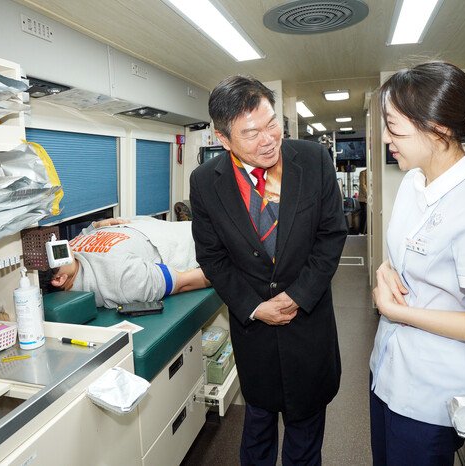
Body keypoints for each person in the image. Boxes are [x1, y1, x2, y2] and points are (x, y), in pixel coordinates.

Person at [369, 62, 465, 465]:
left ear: (436, 130)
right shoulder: (413, 181)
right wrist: (385, 269)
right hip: (386, 370)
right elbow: (407, 252)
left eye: (393, 127)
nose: (385, 138)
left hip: (430, 395)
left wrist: (397, 311)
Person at [190, 75, 347, 465]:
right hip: (254, 332)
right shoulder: (205, 182)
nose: (268, 139)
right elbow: (212, 258)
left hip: (308, 324)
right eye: (251, 132)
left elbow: (331, 235)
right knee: (257, 427)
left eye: (272, 123)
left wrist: (297, 296)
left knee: (305, 435)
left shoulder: (313, 159)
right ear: (223, 139)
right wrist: (254, 307)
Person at [50, 217, 210, 308]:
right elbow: (184, 282)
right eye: (52, 253)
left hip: (136, 224)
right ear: (59, 279)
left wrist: (95, 226)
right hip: (171, 239)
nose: (54, 246)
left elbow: (81, 237)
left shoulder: (67, 257)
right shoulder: (120, 280)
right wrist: (222, 270)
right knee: (212, 225)